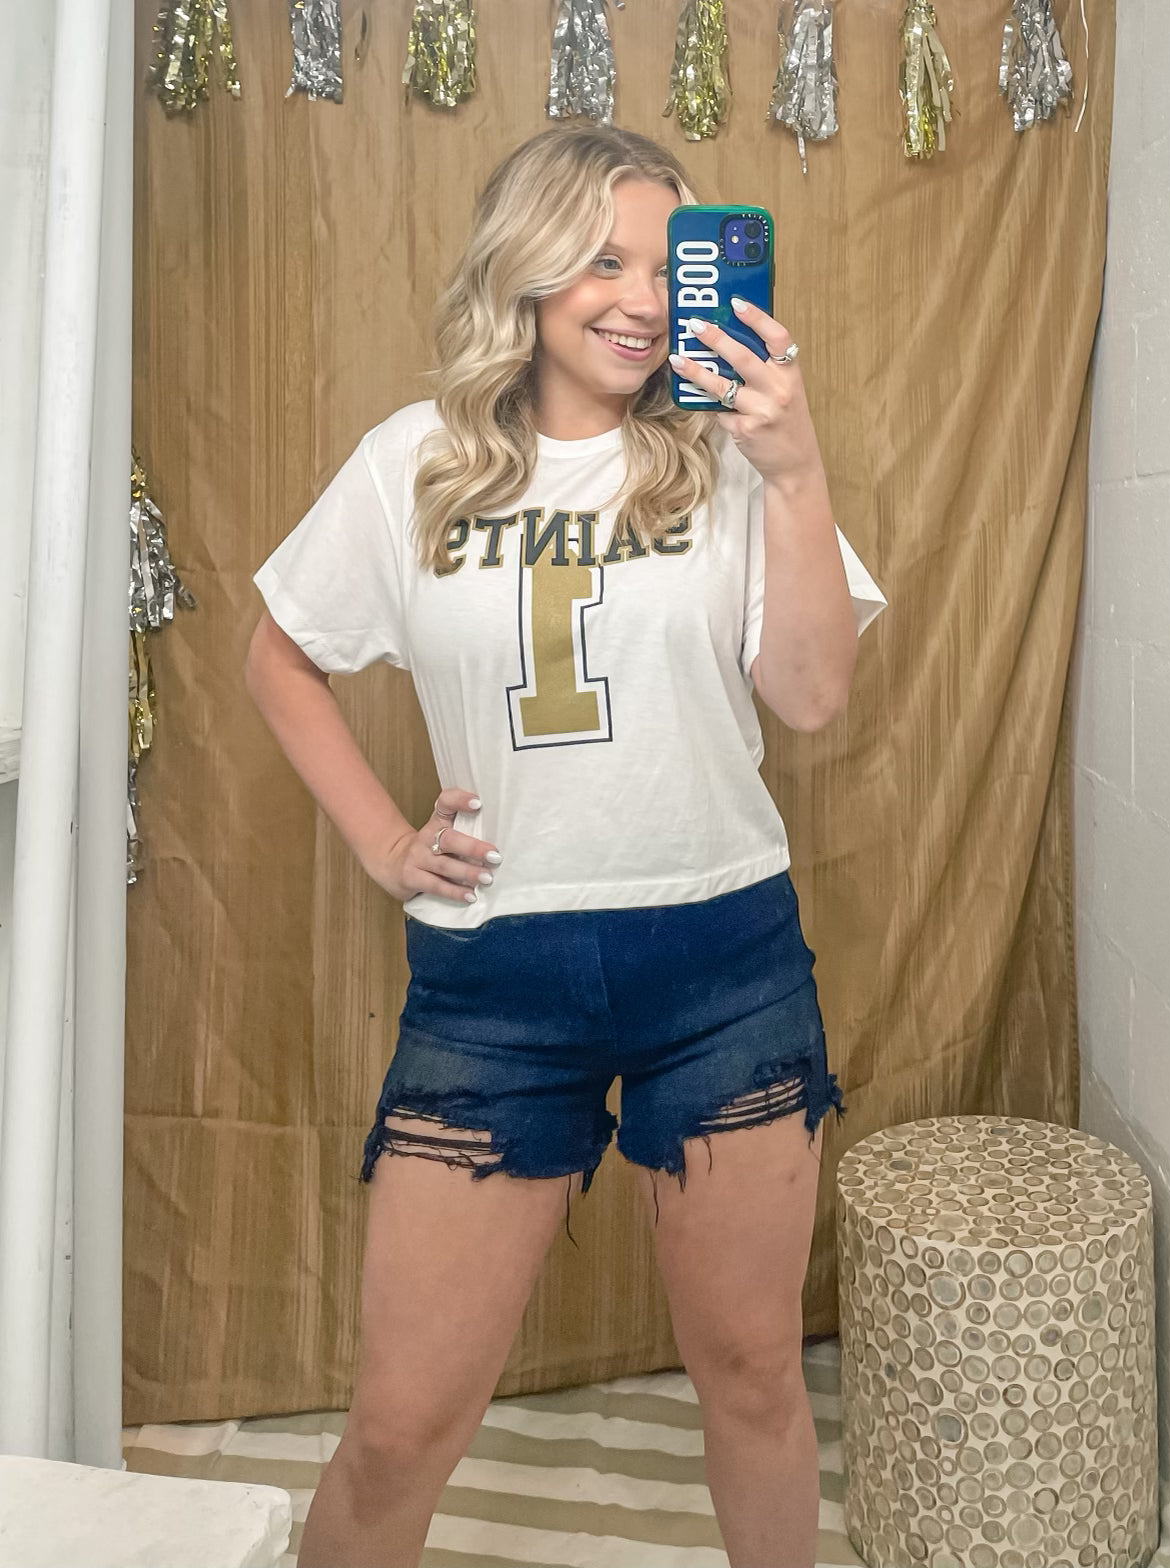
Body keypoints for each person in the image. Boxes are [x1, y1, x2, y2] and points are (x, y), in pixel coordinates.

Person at [245, 124, 885, 1568]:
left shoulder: (727, 457)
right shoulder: (413, 461)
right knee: (399, 1425)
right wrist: (383, 841)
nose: (642, 299)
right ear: (526, 271)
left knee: (755, 1379)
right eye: (602, 259)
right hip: (494, 987)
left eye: (668, 264)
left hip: (721, 966)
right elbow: (279, 656)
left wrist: (793, 475)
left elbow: (809, 698)